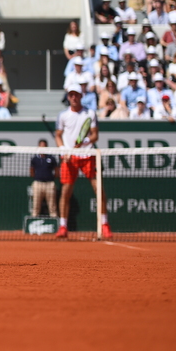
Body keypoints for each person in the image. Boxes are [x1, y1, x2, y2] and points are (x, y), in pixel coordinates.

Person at [54, 85, 111, 239]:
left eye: (76, 95)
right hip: (69, 157)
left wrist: (85, 141)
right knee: (66, 192)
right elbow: (58, 135)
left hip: (88, 155)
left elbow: (95, 135)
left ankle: (105, 224)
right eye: (71, 95)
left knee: (99, 189)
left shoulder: (90, 113)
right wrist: (63, 150)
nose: (74, 97)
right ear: (68, 97)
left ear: (81, 96)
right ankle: (63, 226)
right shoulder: (63, 115)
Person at [30, 139, 58, 218]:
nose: (42, 147)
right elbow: (31, 171)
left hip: (49, 184)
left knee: (52, 206)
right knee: (36, 205)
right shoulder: (35, 159)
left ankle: (54, 220)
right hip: (38, 184)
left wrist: (51, 178)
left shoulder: (51, 158)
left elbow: (57, 171)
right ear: (38, 146)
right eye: (41, 145)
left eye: (44, 146)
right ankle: (34, 220)